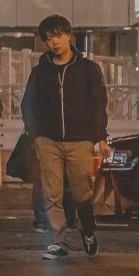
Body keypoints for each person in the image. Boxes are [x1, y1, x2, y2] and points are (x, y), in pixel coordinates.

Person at [20, 13, 107, 259]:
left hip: (81, 140)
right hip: (48, 140)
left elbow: (98, 104)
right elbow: (28, 105)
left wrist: (100, 137)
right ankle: (58, 241)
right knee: (52, 193)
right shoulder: (40, 72)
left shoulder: (88, 69)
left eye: (58, 36)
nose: (54, 42)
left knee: (82, 192)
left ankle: (87, 230)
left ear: (69, 35)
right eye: (49, 38)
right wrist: (36, 135)